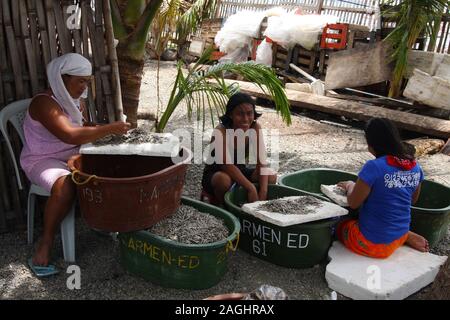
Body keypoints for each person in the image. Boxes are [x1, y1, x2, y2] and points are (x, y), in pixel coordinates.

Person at [20, 53, 131, 273]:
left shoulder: (74, 101)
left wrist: (105, 129)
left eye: (87, 82)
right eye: (80, 81)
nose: (84, 87)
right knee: (65, 185)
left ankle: (107, 223)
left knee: (114, 166)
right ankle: (46, 243)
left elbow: (82, 125)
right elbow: (70, 134)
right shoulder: (44, 103)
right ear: (61, 79)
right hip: (42, 159)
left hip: (71, 154)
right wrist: (110, 129)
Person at [336, 118, 429, 259]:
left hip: (373, 245)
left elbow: (354, 203)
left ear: (371, 144)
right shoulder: (415, 166)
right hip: (399, 233)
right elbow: (412, 200)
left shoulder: (374, 167)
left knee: (338, 225)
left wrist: (350, 185)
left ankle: (393, 237)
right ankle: (405, 236)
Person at [201, 92, 276, 205]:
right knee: (223, 180)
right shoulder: (221, 131)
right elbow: (226, 165)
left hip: (240, 171)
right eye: (240, 114)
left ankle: (251, 202)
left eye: (249, 113)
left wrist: (263, 193)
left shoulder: (255, 128)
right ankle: (226, 207)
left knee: (271, 175)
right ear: (231, 114)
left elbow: (262, 162)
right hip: (216, 174)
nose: (245, 119)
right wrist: (251, 188)